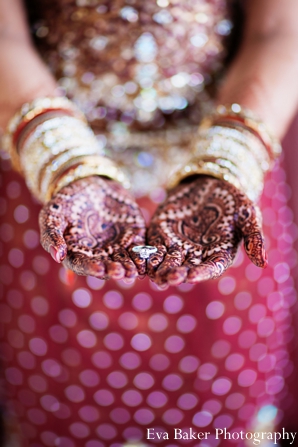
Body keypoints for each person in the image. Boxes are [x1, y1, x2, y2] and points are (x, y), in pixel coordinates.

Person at [0, 0, 298, 445]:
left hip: (225, 195)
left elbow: (278, 30)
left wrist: (230, 161)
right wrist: (64, 159)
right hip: (51, 199)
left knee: (224, 409)